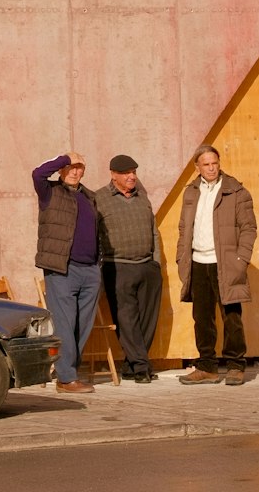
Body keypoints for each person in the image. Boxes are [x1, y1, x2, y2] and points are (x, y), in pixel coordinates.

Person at [175, 144, 257, 387]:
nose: (211, 168)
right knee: (202, 318)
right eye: (206, 164)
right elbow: (183, 228)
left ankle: (235, 366)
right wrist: (182, 258)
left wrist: (241, 259)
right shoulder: (190, 191)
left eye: (214, 163)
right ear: (197, 167)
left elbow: (249, 228)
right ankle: (207, 367)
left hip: (226, 263)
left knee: (231, 317)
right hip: (198, 262)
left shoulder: (236, 191)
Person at [32, 150, 101, 394]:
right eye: (70, 167)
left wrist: (97, 266)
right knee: (64, 323)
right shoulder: (49, 191)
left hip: (90, 270)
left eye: (79, 167)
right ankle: (66, 378)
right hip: (62, 269)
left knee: (83, 325)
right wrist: (65, 157)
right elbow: (38, 173)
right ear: (62, 169)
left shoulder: (90, 197)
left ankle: (68, 370)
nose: (74, 171)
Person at [93, 154, 162, 384]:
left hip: (147, 266)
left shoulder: (142, 197)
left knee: (147, 320)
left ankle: (132, 364)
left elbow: (154, 230)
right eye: (126, 173)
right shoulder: (99, 199)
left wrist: (157, 262)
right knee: (127, 320)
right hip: (118, 267)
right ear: (113, 175)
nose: (132, 176)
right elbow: (94, 235)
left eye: (134, 172)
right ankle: (142, 366)